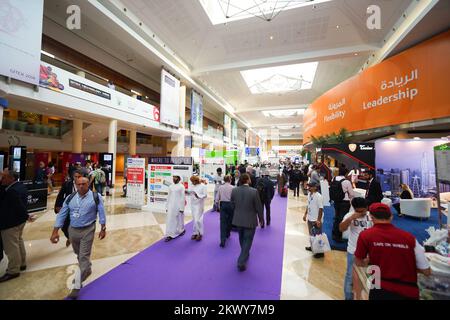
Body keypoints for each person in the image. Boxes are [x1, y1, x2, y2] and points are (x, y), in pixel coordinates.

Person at [354, 203, 431, 300]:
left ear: (371, 217)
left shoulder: (365, 235)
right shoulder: (409, 238)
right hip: (408, 291)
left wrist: (369, 261)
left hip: (379, 288)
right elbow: (426, 271)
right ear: (391, 217)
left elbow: (358, 262)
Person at [50, 176, 107, 299]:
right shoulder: (70, 198)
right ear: (75, 185)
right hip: (73, 230)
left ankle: (76, 285)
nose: (81, 186)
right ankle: (86, 268)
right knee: (79, 255)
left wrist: (103, 228)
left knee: (83, 257)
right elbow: (62, 214)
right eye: (79, 184)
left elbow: (101, 212)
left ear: (88, 184)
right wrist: (55, 231)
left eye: (84, 184)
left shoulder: (95, 197)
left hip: (88, 230)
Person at [339, 197, 372, 300]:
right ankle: (348, 298)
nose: (361, 213)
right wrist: (351, 218)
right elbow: (341, 228)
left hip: (370, 253)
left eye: (362, 211)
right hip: (353, 251)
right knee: (350, 277)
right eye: (358, 211)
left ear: (366, 207)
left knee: (371, 277)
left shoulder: (371, 216)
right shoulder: (350, 216)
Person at [0, 169, 29, 282]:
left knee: (11, 247)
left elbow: (19, 206)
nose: (2, 179)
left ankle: (13, 270)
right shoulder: (20, 186)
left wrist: (26, 216)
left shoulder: (11, 191)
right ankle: (22, 263)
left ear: (11, 178)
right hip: (19, 221)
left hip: (11, 223)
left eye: (4, 177)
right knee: (18, 241)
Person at [231, 174, 264, 271]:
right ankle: (241, 261)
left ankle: (245, 253)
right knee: (248, 241)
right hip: (250, 220)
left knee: (241, 239)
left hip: (238, 220)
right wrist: (261, 219)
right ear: (247, 180)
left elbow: (232, 204)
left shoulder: (234, 190)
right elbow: (258, 207)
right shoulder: (254, 192)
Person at [54, 169, 84, 247]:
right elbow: (60, 195)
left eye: (79, 176)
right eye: (75, 176)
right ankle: (69, 237)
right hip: (68, 207)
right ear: (73, 176)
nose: (77, 178)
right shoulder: (67, 184)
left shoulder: (85, 184)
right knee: (64, 226)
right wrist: (58, 205)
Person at [330, 166, 355, 243]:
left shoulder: (333, 179)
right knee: (342, 219)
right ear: (346, 173)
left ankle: (334, 234)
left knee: (336, 217)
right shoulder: (346, 181)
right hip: (344, 202)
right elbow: (351, 193)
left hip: (336, 201)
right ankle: (339, 236)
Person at [303, 181, 324, 258]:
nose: (308, 188)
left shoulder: (319, 196)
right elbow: (308, 205)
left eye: (310, 186)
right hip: (310, 218)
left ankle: (320, 252)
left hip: (316, 220)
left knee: (318, 236)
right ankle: (312, 247)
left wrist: (318, 220)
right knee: (312, 234)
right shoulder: (309, 194)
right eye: (308, 186)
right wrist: (305, 214)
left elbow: (321, 209)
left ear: (315, 187)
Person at [164, 175, 186, 242]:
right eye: (173, 177)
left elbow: (183, 198)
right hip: (171, 206)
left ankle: (181, 231)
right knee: (170, 220)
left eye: (175, 177)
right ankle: (170, 234)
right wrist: (167, 206)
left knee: (179, 219)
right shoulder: (171, 186)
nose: (174, 179)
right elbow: (168, 196)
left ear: (179, 179)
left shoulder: (181, 187)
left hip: (178, 206)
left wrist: (182, 208)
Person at [215, 175, 235, 247]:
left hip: (223, 205)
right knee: (230, 220)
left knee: (222, 222)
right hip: (231, 205)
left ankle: (222, 240)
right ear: (230, 180)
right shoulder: (233, 187)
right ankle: (228, 233)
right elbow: (234, 198)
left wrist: (216, 205)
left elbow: (217, 198)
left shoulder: (220, 187)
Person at [188, 175, 207, 241]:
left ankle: (200, 233)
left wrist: (198, 195)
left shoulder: (203, 186)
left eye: (193, 182)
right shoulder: (192, 186)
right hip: (193, 204)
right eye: (192, 182)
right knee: (194, 219)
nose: (192, 183)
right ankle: (195, 233)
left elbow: (205, 195)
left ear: (196, 181)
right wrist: (187, 193)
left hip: (199, 205)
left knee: (198, 220)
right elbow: (190, 193)